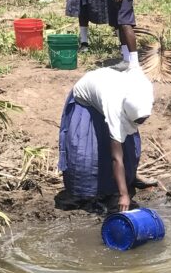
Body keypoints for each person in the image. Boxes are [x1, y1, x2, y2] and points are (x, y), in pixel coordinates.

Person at [57, 66, 154, 213]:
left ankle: (127, 179)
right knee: (87, 155)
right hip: (87, 99)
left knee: (128, 146)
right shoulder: (113, 105)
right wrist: (124, 195)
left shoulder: (143, 91)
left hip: (108, 88)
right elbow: (116, 158)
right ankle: (85, 193)